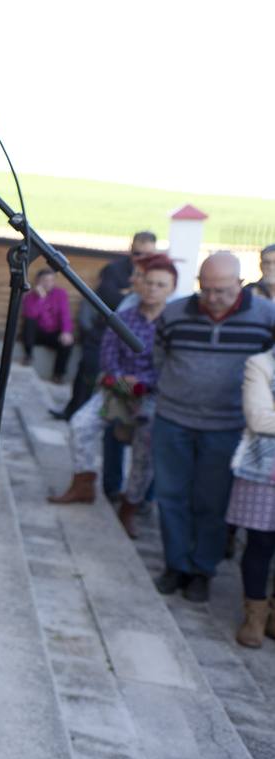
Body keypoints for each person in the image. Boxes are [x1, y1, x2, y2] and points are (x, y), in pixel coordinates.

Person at [152, 252, 275, 603]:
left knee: (212, 502)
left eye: (222, 290)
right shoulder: (175, 314)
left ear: (239, 283)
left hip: (227, 426)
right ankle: (176, 565)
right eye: (206, 290)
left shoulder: (266, 317)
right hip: (173, 419)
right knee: (171, 496)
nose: (213, 298)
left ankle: (202, 570)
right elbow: (159, 358)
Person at [48, 255, 177, 538]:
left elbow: (172, 366)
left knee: (147, 446)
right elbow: (108, 354)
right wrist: (120, 381)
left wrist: (142, 384)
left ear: (171, 288)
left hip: (152, 396)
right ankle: (83, 483)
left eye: (161, 284)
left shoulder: (174, 323)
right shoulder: (123, 317)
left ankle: (129, 507)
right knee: (81, 423)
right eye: (149, 282)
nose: (153, 289)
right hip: (115, 389)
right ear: (140, 284)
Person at [56, 231, 156, 421]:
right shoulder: (114, 269)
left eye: (147, 255)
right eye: (137, 253)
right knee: (87, 372)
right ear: (130, 250)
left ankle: (109, 418)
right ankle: (74, 412)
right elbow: (110, 298)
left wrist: (128, 292)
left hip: (133, 342)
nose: (142, 259)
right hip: (104, 333)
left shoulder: (155, 274)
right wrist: (134, 294)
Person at [227, 346, 275, 647]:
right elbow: (259, 419)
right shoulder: (261, 363)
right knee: (260, 542)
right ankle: (254, 616)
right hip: (264, 468)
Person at [18, 269, 74, 381]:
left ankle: (58, 375)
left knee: (68, 343)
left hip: (53, 333)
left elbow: (65, 314)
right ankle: (28, 356)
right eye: (45, 280)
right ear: (38, 281)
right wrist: (41, 298)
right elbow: (31, 314)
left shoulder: (60, 294)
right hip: (36, 335)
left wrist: (66, 331)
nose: (48, 283)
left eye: (51, 280)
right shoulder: (30, 297)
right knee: (29, 322)